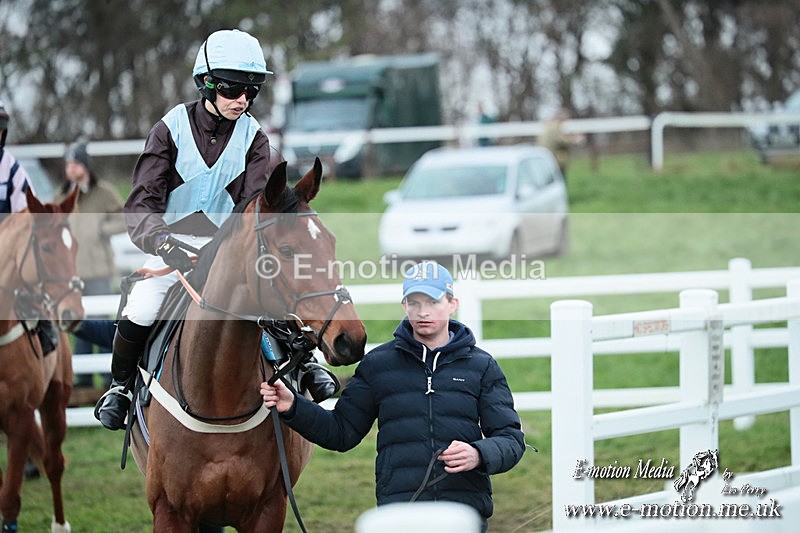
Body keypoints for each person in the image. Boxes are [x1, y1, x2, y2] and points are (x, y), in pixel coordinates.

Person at [94, 29, 336, 431]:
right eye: (234, 89)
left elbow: (260, 204)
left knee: (271, 288)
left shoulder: (254, 137)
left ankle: (306, 365)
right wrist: (162, 241)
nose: (243, 99)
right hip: (172, 244)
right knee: (141, 304)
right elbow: (141, 205)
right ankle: (120, 386)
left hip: (231, 247)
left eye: (252, 91)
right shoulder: (169, 129)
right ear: (206, 83)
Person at [260, 261, 526, 531]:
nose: (423, 312)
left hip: (464, 515)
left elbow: (512, 440)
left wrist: (478, 453)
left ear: (451, 303)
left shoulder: (481, 367)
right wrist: (293, 405)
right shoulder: (378, 365)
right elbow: (340, 432)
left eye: (432, 302)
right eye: (414, 303)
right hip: (399, 516)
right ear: (404, 306)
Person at [60, 140, 126, 387]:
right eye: (68, 164)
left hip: (99, 270)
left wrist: (103, 229)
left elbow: (125, 219)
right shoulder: (63, 195)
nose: (71, 169)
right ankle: (84, 377)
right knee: (79, 322)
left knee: (101, 322)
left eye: (75, 163)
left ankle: (110, 373)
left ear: (85, 165)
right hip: (72, 272)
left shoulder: (104, 193)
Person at [539, 108, 584, 178]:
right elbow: (561, 140)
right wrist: (575, 139)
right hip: (553, 160)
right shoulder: (555, 126)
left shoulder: (548, 125)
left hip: (545, 159)